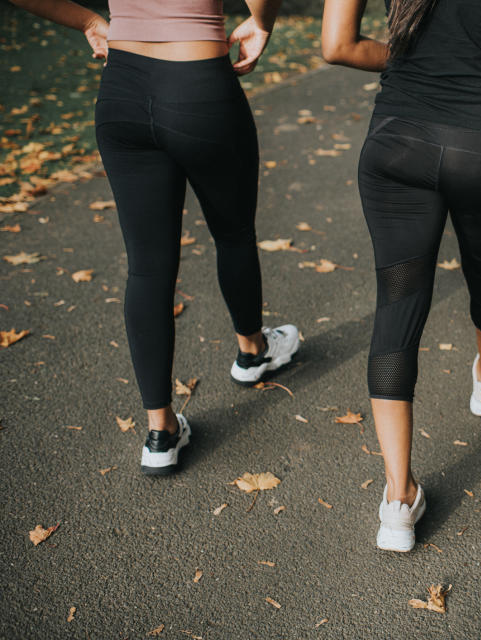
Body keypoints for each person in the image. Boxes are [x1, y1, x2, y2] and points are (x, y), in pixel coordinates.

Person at [11, 0, 300, 475]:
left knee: (147, 265)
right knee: (232, 233)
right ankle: (253, 353)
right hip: (199, 84)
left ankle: (161, 432)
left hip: (122, 89)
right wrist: (263, 22)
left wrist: (88, 20)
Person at [321, 0, 481, 551]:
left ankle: (398, 501)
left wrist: (411, 57)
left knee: (397, 304)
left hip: (396, 142)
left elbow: (336, 45)